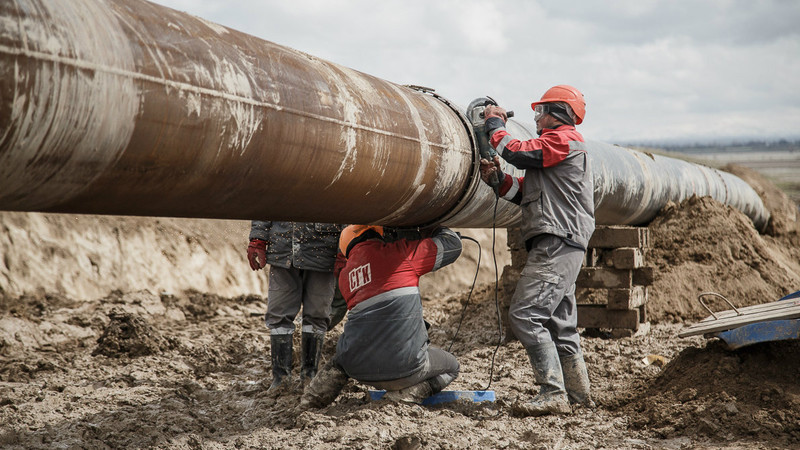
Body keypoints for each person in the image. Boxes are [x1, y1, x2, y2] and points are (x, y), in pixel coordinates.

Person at [479, 85, 595, 416]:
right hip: (563, 242)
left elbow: (515, 152)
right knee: (560, 325)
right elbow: (526, 193)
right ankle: (578, 396)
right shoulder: (554, 151)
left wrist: (494, 124)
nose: (537, 118)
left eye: (541, 111)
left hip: (557, 242)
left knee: (525, 314)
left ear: (559, 113)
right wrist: (498, 180)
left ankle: (553, 392)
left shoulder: (563, 140)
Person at [299, 224, 463, 409]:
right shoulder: (401, 254)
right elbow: (453, 245)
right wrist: (429, 230)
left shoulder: (345, 277)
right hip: (406, 368)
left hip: (358, 370)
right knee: (452, 367)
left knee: (341, 360)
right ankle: (404, 397)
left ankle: (309, 401)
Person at [247, 221, 344, 392]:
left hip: (322, 251)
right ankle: (281, 379)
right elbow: (265, 206)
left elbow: (347, 211)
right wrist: (258, 238)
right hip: (284, 249)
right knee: (279, 314)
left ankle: (309, 376)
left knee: (317, 315)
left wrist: (344, 249)